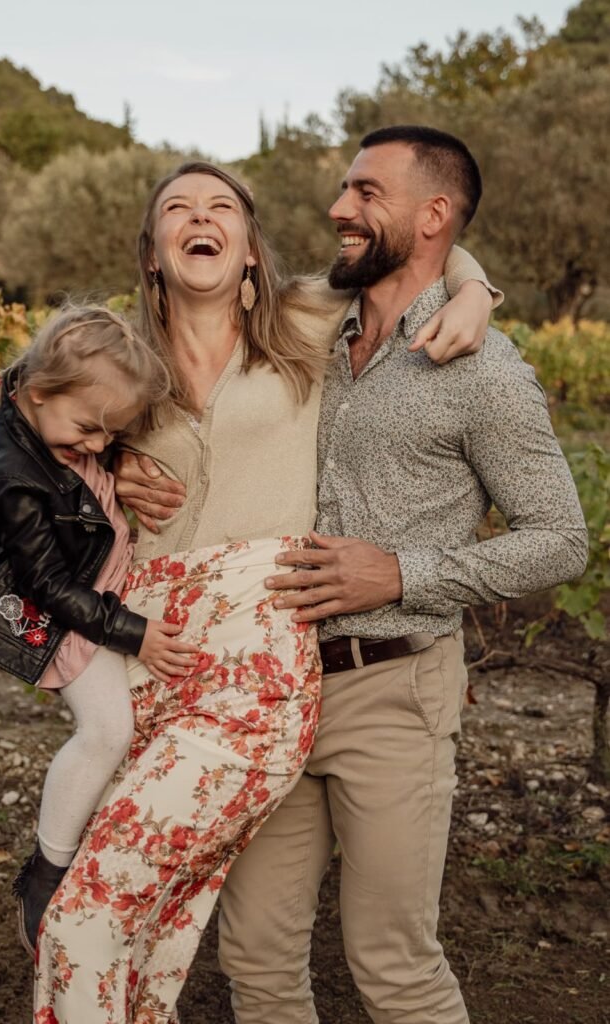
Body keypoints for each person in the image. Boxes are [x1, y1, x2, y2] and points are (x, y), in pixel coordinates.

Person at [33, 161, 499, 1024]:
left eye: (222, 209)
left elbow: (420, 262)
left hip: (259, 664)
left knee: (101, 908)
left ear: (251, 251)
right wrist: (106, 463)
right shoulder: (117, 360)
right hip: (152, 658)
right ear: (151, 252)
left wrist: (476, 294)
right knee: (158, 923)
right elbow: (30, 429)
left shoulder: (305, 318)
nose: (199, 218)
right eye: (178, 208)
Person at [211, 127, 589, 1024]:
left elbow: (559, 539)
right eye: (344, 189)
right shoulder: (303, 327)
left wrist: (400, 573)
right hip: (273, 687)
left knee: (391, 964)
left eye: (365, 193)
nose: (339, 209)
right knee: (255, 958)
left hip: (394, 689)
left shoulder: (483, 370)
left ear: (431, 216)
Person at [0, 305, 198, 956]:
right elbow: (52, 588)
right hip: (65, 614)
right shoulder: (11, 478)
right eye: (89, 431)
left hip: (98, 582)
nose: (98, 446)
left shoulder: (56, 408)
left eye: (110, 434)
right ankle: (47, 871)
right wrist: (132, 633)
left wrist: (117, 451)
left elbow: (95, 427)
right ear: (38, 395)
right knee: (107, 730)